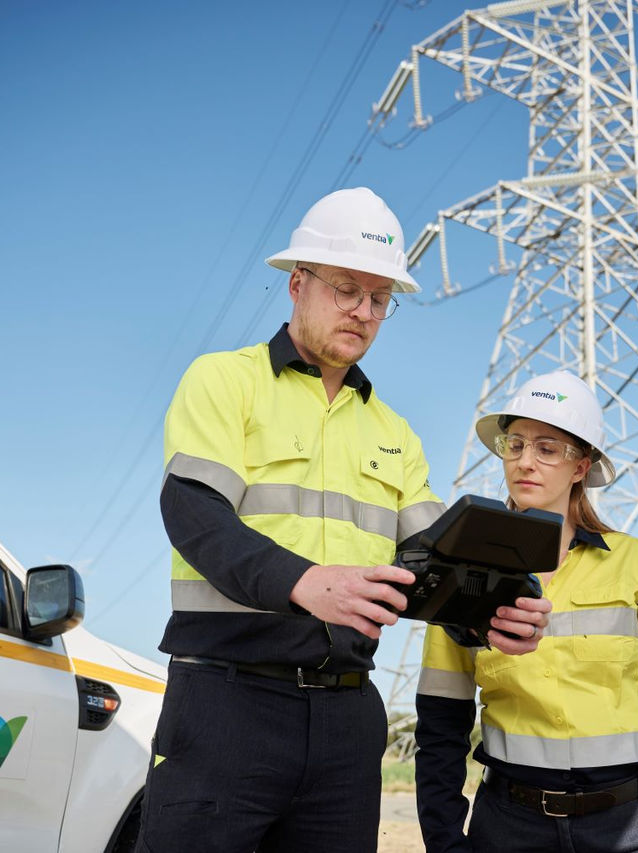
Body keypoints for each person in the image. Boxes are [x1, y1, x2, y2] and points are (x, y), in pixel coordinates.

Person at [135, 187, 551, 853]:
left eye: (380, 298)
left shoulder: (394, 432)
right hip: (225, 703)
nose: (363, 310)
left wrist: (493, 612)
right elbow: (194, 515)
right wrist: (303, 581)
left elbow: (434, 560)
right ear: (298, 284)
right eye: (347, 289)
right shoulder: (224, 381)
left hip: (347, 719)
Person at [414, 370, 638, 852]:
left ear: (581, 467)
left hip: (636, 826)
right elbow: (440, 724)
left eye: (547, 449)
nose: (524, 462)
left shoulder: (635, 563)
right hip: (510, 829)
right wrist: (446, 842)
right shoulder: (458, 572)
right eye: (515, 445)